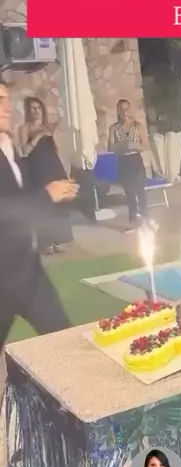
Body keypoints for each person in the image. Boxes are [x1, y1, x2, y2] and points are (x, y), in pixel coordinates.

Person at [0, 82, 78, 351]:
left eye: (7, 99)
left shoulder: (9, 146)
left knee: (65, 341)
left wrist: (58, 189)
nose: (7, 107)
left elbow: (19, 192)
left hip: (28, 271)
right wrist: (46, 195)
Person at [17, 97, 72, 254]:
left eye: (38, 108)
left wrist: (54, 132)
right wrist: (38, 135)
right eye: (33, 108)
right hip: (37, 169)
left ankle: (58, 240)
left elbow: (58, 149)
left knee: (59, 205)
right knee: (44, 205)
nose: (36, 111)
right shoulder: (25, 129)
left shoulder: (48, 127)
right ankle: (46, 242)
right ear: (28, 111)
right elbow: (24, 151)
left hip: (53, 167)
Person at [108, 99, 150, 232]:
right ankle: (133, 221)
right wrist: (121, 147)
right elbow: (110, 147)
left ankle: (145, 220)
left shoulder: (137, 126)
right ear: (118, 111)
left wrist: (134, 146)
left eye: (126, 109)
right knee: (130, 193)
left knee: (140, 192)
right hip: (123, 161)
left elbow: (146, 145)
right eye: (121, 109)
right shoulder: (114, 128)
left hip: (135, 160)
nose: (124, 112)